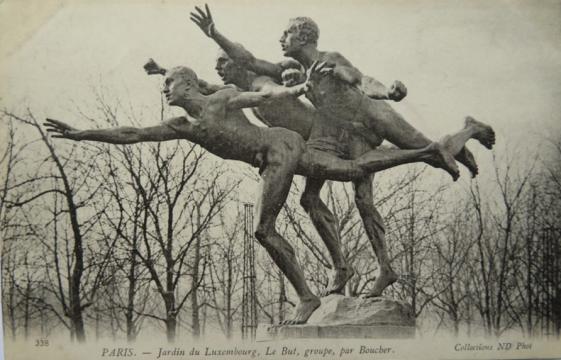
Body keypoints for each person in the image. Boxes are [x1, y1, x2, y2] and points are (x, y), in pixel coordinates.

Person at [45, 64, 490, 324]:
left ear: (190, 86)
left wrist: (297, 89)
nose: (164, 92)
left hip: (281, 146)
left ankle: (310, 296)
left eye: (170, 85)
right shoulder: (183, 126)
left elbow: (263, 96)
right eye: (164, 86)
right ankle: (434, 151)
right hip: (276, 154)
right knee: (339, 179)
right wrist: (83, 134)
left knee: (270, 224)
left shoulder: (222, 99)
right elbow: (132, 133)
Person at [190, 4, 495, 297]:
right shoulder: (288, 67)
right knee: (337, 198)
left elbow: (361, 80)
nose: (280, 39)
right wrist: (215, 33)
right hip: (340, 134)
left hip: (373, 117)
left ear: (304, 37)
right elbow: (251, 60)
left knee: (435, 154)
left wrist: (388, 92)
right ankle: (379, 269)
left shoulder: (329, 59)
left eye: (286, 34)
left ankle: (468, 130)